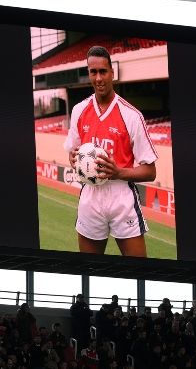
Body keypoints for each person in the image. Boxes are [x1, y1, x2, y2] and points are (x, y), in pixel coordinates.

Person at [64, 45, 158, 257]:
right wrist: (73, 159)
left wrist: (118, 173)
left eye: (103, 72)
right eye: (93, 72)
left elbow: (150, 172)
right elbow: (73, 152)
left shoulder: (132, 115)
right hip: (90, 197)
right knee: (88, 271)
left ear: (112, 73)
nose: (98, 78)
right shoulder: (79, 110)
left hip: (121, 197)